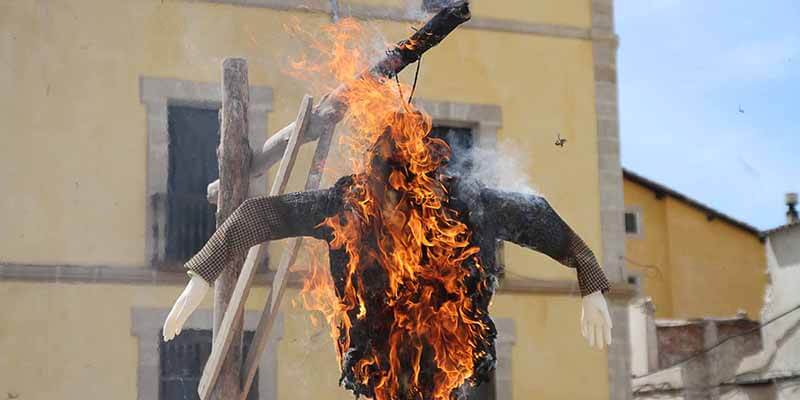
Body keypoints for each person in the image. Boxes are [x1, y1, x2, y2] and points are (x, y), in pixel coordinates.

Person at [163, 118, 613, 398]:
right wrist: (200, 276)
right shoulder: (347, 206)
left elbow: (544, 222)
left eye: (405, 193)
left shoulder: (468, 205)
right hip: (375, 350)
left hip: (444, 353)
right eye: (386, 192)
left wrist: (590, 281)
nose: (395, 204)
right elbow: (258, 214)